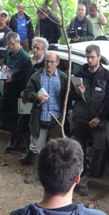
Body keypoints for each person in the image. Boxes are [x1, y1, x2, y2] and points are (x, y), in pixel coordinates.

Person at [69, 44, 109, 196]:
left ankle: (89, 174)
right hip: (80, 116)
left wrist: (99, 117)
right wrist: (76, 92)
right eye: (87, 57)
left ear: (99, 58)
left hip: (98, 117)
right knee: (79, 147)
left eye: (92, 57)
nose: (89, 60)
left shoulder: (107, 76)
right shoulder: (79, 74)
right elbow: (69, 97)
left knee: (99, 148)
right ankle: (80, 176)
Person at [22, 52, 68, 184]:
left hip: (57, 120)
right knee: (37, 147)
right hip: (40, 118)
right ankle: (35, 173)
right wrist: (37, 97)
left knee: (56, 149)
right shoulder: (36, 76)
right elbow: (27, 93)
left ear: (57, 63)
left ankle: (53, 174)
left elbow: (68, 98)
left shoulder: (63, 77)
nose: (48, 64)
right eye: (47, 61)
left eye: (52, 61)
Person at [17, 37, 48, 165]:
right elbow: (23, 77)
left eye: (37, 48)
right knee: (22, 124)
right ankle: (28, 150)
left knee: (35, 129)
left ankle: (37, 156)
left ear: (44, 50)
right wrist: (22, 91)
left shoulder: (46, 63)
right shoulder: (29, 61)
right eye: (33, 47)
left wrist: (32, 94)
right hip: (26, 99)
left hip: (39, 101)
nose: (34, 50)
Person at [0, 32, 30, 152]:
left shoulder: (25, 57)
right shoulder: (9, 52)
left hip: (17, 92)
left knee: (15, 116)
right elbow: (4, 62)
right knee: (1, 112)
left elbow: (24, 77)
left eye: (12, 44)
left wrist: (14, 79)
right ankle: (15, 135)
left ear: (18, 42)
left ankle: (16, 141)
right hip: (6, 90)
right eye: (9, 44)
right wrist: (3, 67)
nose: (10, 46)